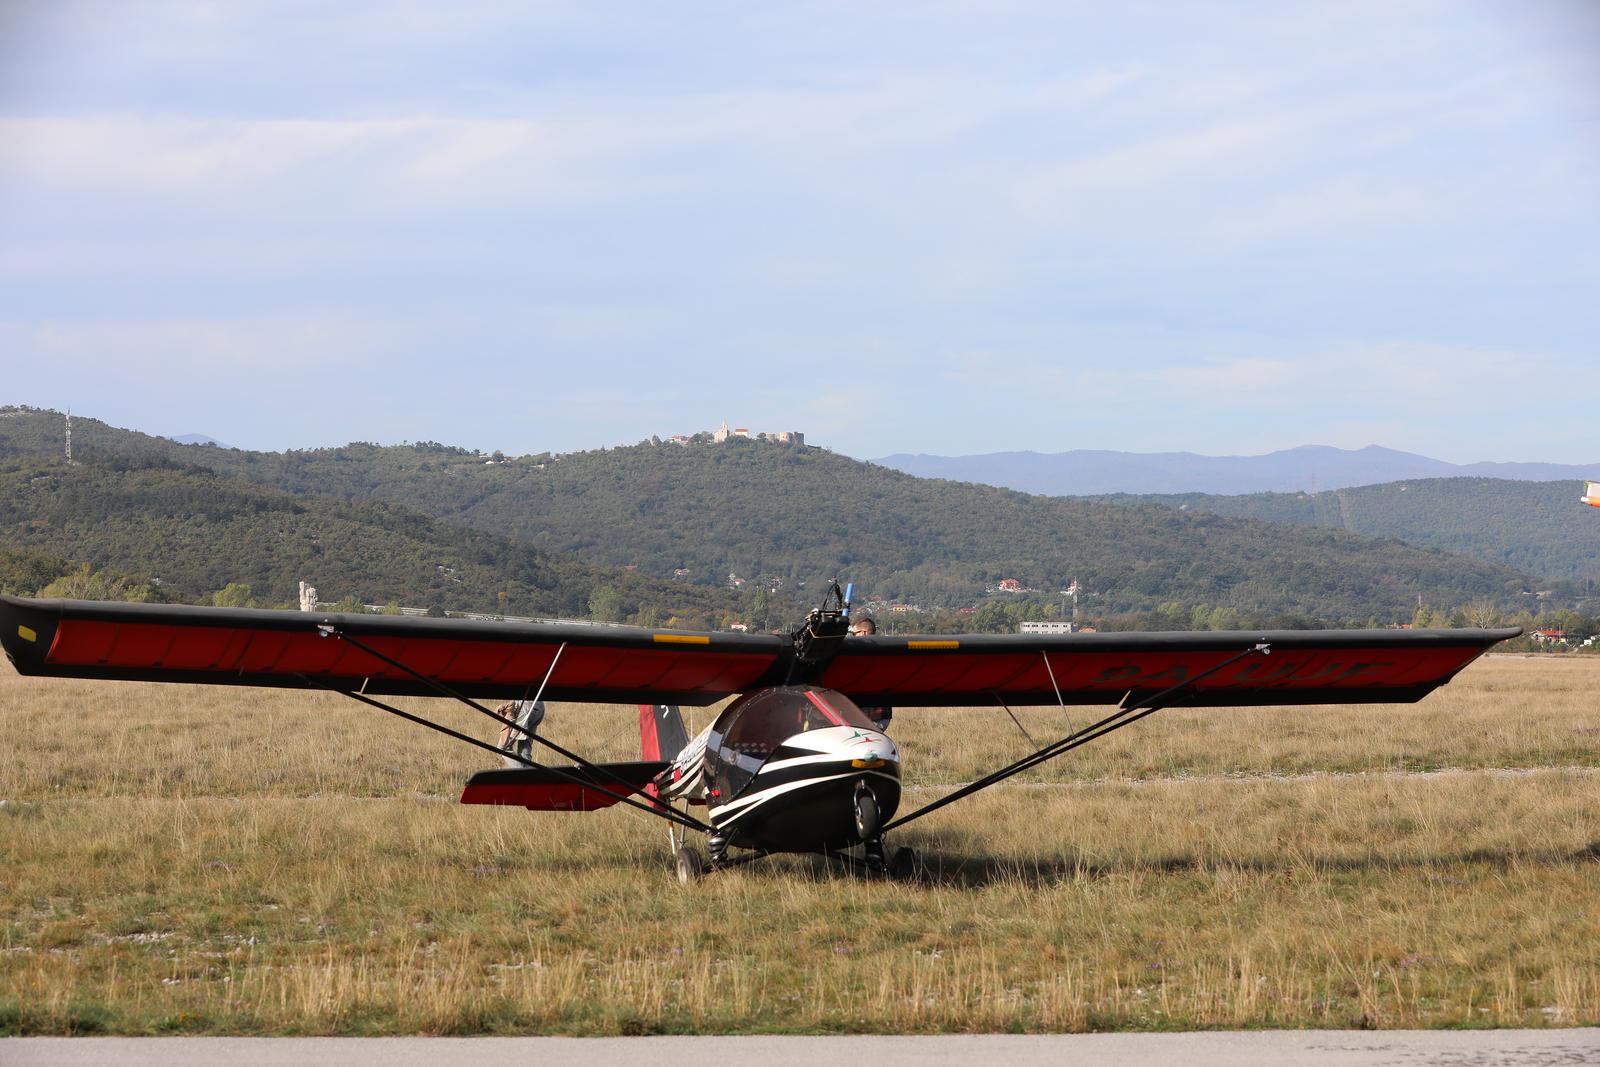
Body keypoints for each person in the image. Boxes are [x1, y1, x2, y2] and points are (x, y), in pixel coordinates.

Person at [849, 617, 892, 732]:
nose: (852, 637)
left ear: (863, 633)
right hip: (882, 716)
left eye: (854, 634)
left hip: (870, 716)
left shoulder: (861, 656)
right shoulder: (885, 652)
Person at [494, 699, 545, 767]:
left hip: (525, 709)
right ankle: (530, 773)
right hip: (539, 708)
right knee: (524, 751)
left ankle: (522, 773)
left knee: (503, 748)